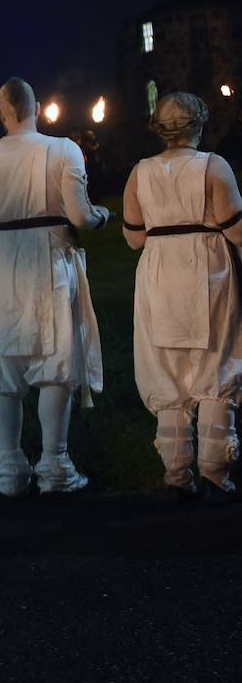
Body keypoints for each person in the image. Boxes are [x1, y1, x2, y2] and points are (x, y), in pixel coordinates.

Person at [0, 77, 113, 497]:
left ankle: (9, 467)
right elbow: (80, 216)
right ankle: (54, 463)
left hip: (4, 260)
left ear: (2, 113)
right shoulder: (64, 150)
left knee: (5, 366)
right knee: (55, 363)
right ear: (37, 107)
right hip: (49, 259)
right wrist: (102, 217)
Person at [121, 92, 242, 501]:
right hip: (207, 268)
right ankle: (215, 472)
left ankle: (176, 475)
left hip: (158, 272)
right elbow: (236, 228)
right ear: (199, 124)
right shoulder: (213, 167)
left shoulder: (140, 172)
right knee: (215, 365)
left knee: (167, 369)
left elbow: (134, 238)